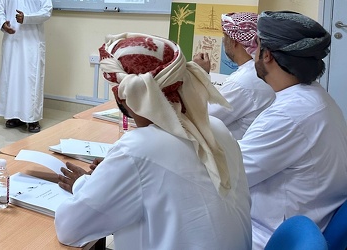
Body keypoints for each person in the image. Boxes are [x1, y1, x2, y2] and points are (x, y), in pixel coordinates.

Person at [54, 33, 252, 249]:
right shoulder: (216, 127)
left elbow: (69, 228)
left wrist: (83, 184)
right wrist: (112, 173)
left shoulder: (138, 148)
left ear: (124, 96)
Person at [238, 11, 347, 249]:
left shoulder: (289, 114)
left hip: (269, 235)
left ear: (267, 55)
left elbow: (230, 174)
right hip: (308, 219)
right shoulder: (316, 98)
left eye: (256, 45)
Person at [0, 0, 52, 133]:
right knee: (10, 77)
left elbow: (46, 11)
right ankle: (13, 115)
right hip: (12, 41)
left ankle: (32, 119)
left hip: (32, 42)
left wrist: (26, 18)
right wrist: (3, 24)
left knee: (31, 79)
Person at [193, 12, 275, 139]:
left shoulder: (242, 81)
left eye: (225, 37)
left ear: (234, 41)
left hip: (234, 149)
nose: (223, 41)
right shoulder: (262, 70)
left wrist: (199, 74)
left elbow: (201, 118)